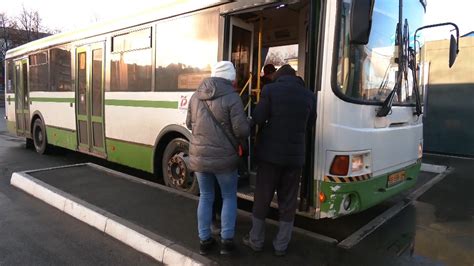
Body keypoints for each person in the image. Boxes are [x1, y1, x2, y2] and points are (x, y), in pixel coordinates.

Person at [243, 64, 316, 256]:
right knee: (289, 201)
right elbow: (310, 124)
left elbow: (258, 117)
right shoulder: (309, 95)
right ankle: (281, 245)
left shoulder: (271, 90)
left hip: (269, 157)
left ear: (279, 77)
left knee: (263, 198)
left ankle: (256, 240)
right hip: (294, 158)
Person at [186, 61, 250, 255]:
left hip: (199, 157)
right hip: (224, 159)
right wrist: (250, 122)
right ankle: (226, 242)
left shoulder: (196, 96)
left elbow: (189, 123)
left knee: (205, 196)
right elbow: (242, 130)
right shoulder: (232, 98)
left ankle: (204, 241)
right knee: (229, 196)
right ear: (230, 77)